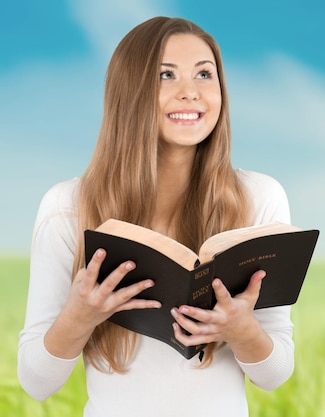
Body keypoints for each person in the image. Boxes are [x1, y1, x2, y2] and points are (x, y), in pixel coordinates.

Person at [18, 16, 295, 417]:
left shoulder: (258, 199)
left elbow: (275, 374)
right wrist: (78, 318)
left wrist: (241, 331)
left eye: (204, 74)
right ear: (129, 90)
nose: (190, 93)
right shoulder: (67, 208)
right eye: (166, 75)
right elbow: (36, 382)